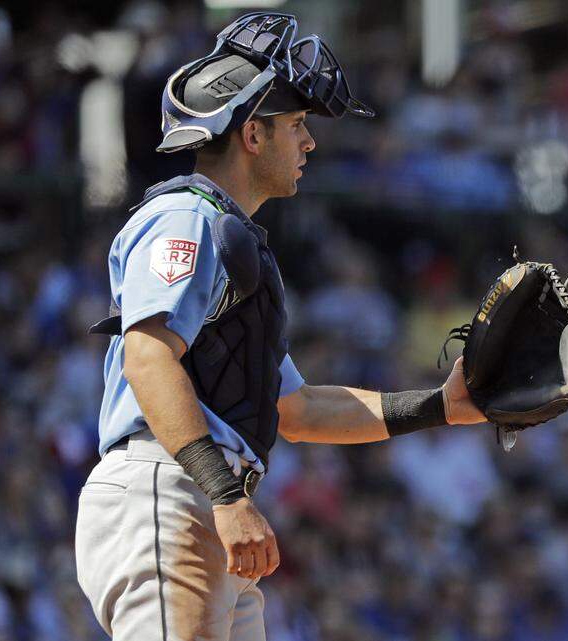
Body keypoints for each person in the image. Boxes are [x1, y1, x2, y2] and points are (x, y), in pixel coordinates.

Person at [73, 13, 485, 640]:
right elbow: (148, 358)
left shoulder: (230, 236)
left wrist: (440, 407)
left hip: (204, 491)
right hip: (173, 485)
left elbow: (298, 409)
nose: (309, 143)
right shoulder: (187, 217)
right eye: (296, 124)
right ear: (252, 133)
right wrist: (223, 494)